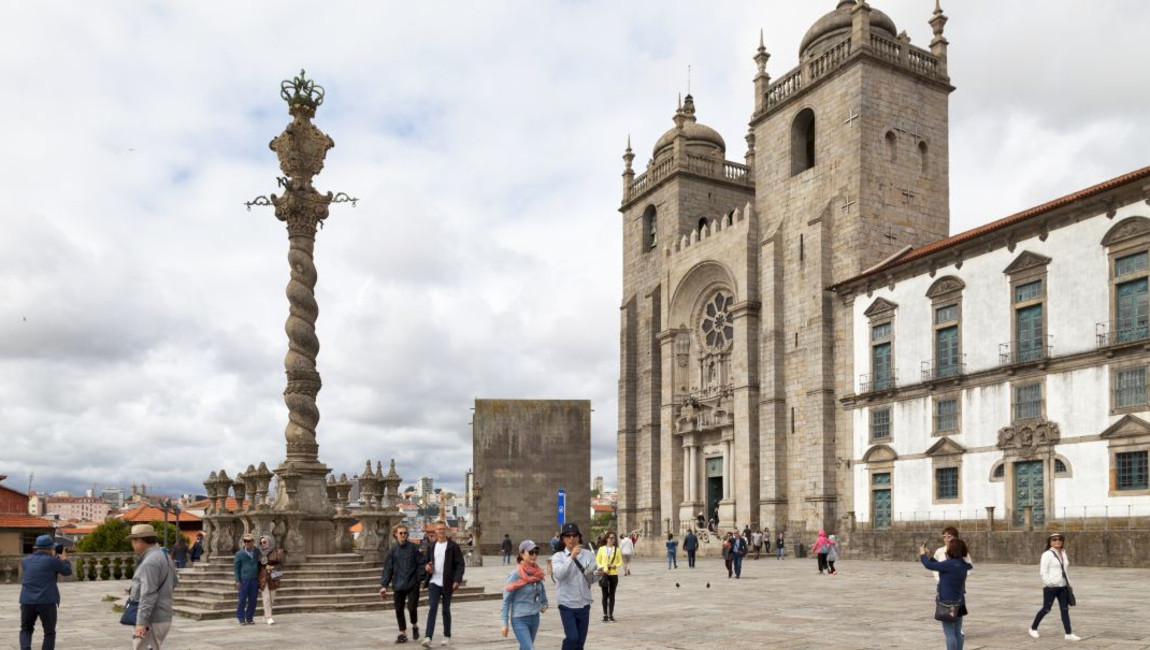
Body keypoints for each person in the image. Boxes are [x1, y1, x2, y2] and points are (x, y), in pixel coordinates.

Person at [128, 524, 177, 649]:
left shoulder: (149, 562)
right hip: (163, 615)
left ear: (140, 541)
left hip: (152, 619)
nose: (132, 544)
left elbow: (148, 594)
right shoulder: (165, 556)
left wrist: (141, 622)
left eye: (133, 541)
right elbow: (174, 582)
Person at [19, 534, 71, 650]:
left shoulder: (25, 561)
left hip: (27, 601)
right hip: (47, 601)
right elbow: (67, 571)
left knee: (26, 630)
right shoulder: (53, 561)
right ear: (50, 548)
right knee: (49, 632)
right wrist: (64, 559)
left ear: (37, 547)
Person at [919, 537, 972, 650]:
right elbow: (941, 566)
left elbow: (929, 566)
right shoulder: (962, 564)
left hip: (948, 603)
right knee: (957, 632)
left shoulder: (949, 564)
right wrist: (930, 557)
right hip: (959, 602)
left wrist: (922, 555)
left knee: (949, 633)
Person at [551, 522, 596, 650]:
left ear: (579, 537)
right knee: (572, 637)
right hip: (567, 604)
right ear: (563, 539)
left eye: (574, 535)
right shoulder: (558, 557)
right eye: (568, 536)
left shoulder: (587, 554)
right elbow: (560, 575)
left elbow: (591, 579)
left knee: (580, 642)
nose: (571, 538)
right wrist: (571, 557)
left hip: (584, 603)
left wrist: (600, 574)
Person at [1028, 533, 1081, 641]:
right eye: (1054, 539)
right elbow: (1043, 571)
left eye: (1060, 539)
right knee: (1046, 609)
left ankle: (1068, 633)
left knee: (1065, 610)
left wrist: (1069, 584)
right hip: (1051, 587)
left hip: (1063, 586)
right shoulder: (1047, 554)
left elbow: (1064, 570)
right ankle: (1033, 628)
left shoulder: (1063, 553)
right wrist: (1049, 584)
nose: (1057, 541)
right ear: (1050, 542)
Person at [422, 520, 465, 647]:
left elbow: (460, 565)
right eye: (439, 529)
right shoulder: (431, 546)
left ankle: (447, 635)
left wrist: (457, 580)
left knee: (446, 609)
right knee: (432, 608)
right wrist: (427, 567)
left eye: (443, 529)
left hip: (447, 582)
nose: (441, 531)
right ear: (435, 531)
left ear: (445, 530)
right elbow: (426, 562)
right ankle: (428, 637)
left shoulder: (453, 546)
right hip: (434, 582)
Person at [380, 524, 425, 644]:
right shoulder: (392, 551)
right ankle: (402, 632)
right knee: (399, 609)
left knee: (412, 607)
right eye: (401, 533)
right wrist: (384, 586)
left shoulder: (415, 548)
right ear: (396, 534)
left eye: (405, 533)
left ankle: (414, 625)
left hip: (412, 584)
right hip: (398, 584)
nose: (403, 535)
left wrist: (419, 578)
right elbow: (388, 569)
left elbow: (422, 563)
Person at [501, 540, 549, 650]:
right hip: (519, 619)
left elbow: (541, 591)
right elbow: (506, 601)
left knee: (525, 648)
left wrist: (544, 604)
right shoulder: (515, 575)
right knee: (529, 648)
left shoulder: (537, 573)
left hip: (535, 618)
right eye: (531, 552)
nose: (534, 555)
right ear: (522, 554)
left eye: (536, 552)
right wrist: (504, 623)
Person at [233, 533, 260, 625]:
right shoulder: (239, 554)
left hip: (254, 579)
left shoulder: (257, 552)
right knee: (242, 599)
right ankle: (241, 618)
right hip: (244, 580)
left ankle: (249, 618)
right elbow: (236, 568)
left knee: (253, 600)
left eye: (248, 541)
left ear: (253, 541)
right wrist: (237, 581)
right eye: (245, 541)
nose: (246, 543)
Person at [595, 531, 622, 622]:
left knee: (612, 595)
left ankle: (611, 615)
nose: (612, 539)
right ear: (607, 539)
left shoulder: (617, 549)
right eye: (611, 538)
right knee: (605, 595)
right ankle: (605, 615)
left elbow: (620, 561)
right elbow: (597, 561)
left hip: (613, 574)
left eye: (614, 538)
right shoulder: (601, 549)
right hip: (604, 574)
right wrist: (602, 568)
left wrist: (615, 566)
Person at [257, 535, 284, 625]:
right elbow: (257, 565)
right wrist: (265, 567)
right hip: (263, 577)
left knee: (272, 598)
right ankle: (269, 617)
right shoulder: (259, 553)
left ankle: (266, 615)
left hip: (274, 576)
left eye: (264, 542)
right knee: (267, 598)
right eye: (261, 543)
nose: (262, 544)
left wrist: (273, 567)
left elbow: (281, 565)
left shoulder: (276, 552)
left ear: (269, 542)